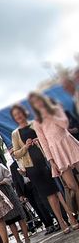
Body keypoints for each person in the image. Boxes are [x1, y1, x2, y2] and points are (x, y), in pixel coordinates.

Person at [11, 103, 78, 233]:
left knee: (60, 191)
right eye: (15, 115)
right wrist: (25, 146)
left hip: (46, 161)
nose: (18, 116)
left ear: (24, 112)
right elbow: (16, 153)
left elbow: (48, 139)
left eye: (19, 113)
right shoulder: (15, 133)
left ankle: (72, 218)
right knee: (50, 196)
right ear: (14, 118)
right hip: (33, 168)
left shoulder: (35, 123)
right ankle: (62, 223)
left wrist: (38, 140)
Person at [28, 92, 79, 228]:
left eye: (38, 100)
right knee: (72, 186)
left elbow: (64, 124)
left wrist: (50, 115)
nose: (38, 104)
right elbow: (44, 143)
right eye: (34, 103)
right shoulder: (36, 122)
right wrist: (51, 161)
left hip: (68, 143)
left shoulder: (56, 110)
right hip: (56, 151)